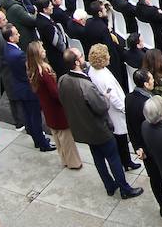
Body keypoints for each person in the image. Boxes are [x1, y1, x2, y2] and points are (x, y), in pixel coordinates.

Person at [56, 48, 142, 199]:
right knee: (113, 158)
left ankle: (109, 186)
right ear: (77, 62)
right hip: (98, 129)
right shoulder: (85, 85)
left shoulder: (63, 80)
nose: (84, 58)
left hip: (83, 129)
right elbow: (101, 107)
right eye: (81, 56)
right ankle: (125, 189)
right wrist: (106, 97)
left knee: (98, 160)